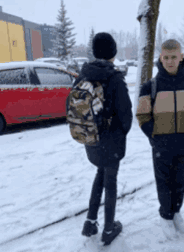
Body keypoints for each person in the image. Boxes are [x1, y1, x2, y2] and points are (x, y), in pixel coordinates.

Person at [136, 39, 184, 239]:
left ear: (181, 57)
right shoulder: (150, 86)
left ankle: (176, 212)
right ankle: (166, 216)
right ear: (160, 58)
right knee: (163, 182)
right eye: (166, 57)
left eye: (174, 57)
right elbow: (142, 115)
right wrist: (154, 135)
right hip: (161, 145)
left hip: (183, 144)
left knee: (180, 181)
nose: (170, 61)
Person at [77, 32, 133, 245]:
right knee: (110, 182)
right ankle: (109, 229)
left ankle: (90, 222)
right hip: (111, 142)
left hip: (90, 139)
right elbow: (126, 116)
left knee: (100, 174)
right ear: (113, 52)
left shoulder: (83, 75)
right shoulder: (115, 78)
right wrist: (118, 134)